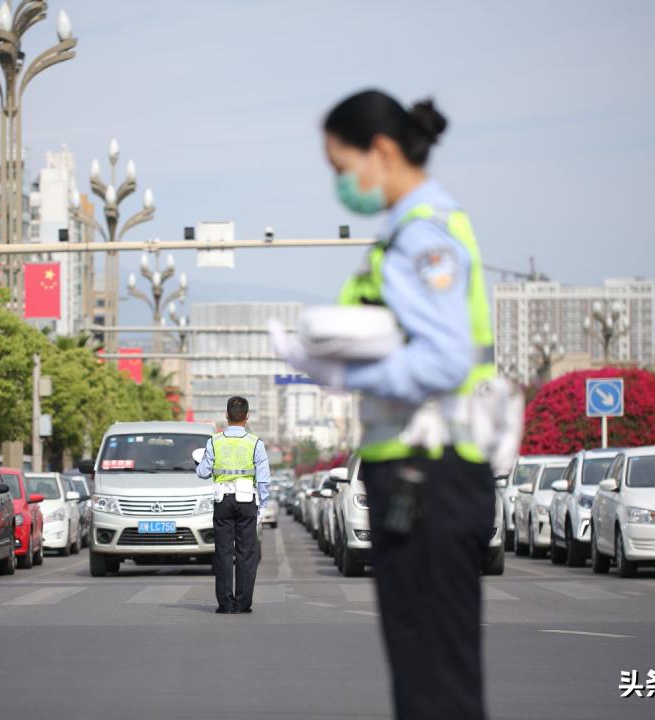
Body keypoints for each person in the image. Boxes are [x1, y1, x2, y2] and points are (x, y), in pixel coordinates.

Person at [275, 90, 496, 720]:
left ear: (382, 151)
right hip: (420, 471)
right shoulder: (412, 231)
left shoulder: (422, 236)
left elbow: (447, 357)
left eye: (341, 168)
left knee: (435, 680)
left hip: (430, 471)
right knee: (424, 672)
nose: (341, 184)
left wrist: (344, 367)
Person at [195, 396, 271, 614]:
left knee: (224, 552)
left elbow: (202, 472)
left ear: (226, 416)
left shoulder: (214, 441)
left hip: (223, 502)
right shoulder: (255, 443)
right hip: (247, 501)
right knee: (247, 552)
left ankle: (225, 604)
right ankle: (243, 602)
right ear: (247, 418)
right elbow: (264, 479)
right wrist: (263, 505)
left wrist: (198, 464)